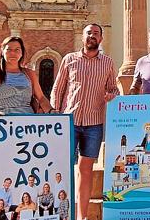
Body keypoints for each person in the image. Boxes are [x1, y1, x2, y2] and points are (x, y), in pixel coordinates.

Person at [50, 23, 119, 220]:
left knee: (85, 170)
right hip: (68, 121)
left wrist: (110, 95)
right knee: (63, 168)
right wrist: (55, 112)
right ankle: (61, 213)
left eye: (96, 34)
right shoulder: (69, 59)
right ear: (83, 37)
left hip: (94, 124)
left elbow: (114, 88)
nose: (92, 36)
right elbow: (58, 88)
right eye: (89, 33)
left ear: (101, 39)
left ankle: (82, 216)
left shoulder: (107, 63)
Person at [0, 36, 54, 117]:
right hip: (1, 123)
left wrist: (51, 111)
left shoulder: (30, 73)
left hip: (29, 124)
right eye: (9, 50)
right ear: (3, 52)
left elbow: (41, 98)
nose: (13, 53)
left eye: (17, 50)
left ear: (22, 53)